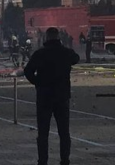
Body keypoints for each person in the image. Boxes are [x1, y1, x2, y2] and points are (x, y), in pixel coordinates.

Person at [23, 27, 79, 165]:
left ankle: (43, 160)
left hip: (44, 96)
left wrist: (37, 83)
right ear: (58, 37)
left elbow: (28, 71)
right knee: (64, 132)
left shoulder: (40, 54)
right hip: (62, 96)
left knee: (43, 133)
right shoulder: (66, 53)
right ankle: (65, 160)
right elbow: (76, 58)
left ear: (46, 38)